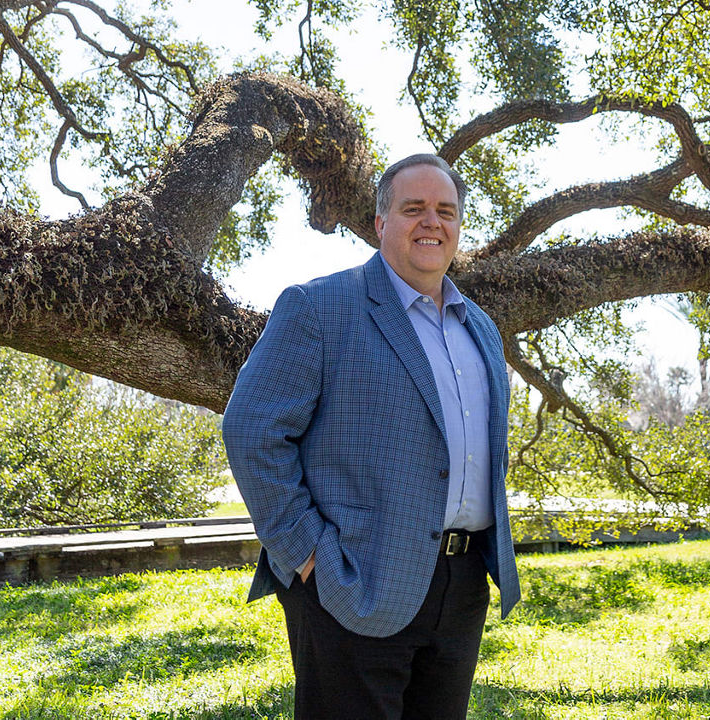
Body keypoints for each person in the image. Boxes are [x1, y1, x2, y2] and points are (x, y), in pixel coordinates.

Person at [222, 153, 521, 719]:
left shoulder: (480, 327)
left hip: (461, 588)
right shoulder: (318, 307)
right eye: (414, 208)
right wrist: (309, 555)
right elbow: (252, 430)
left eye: (446, 210)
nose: (432, 222)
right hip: (353, 580)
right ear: (381, 222)